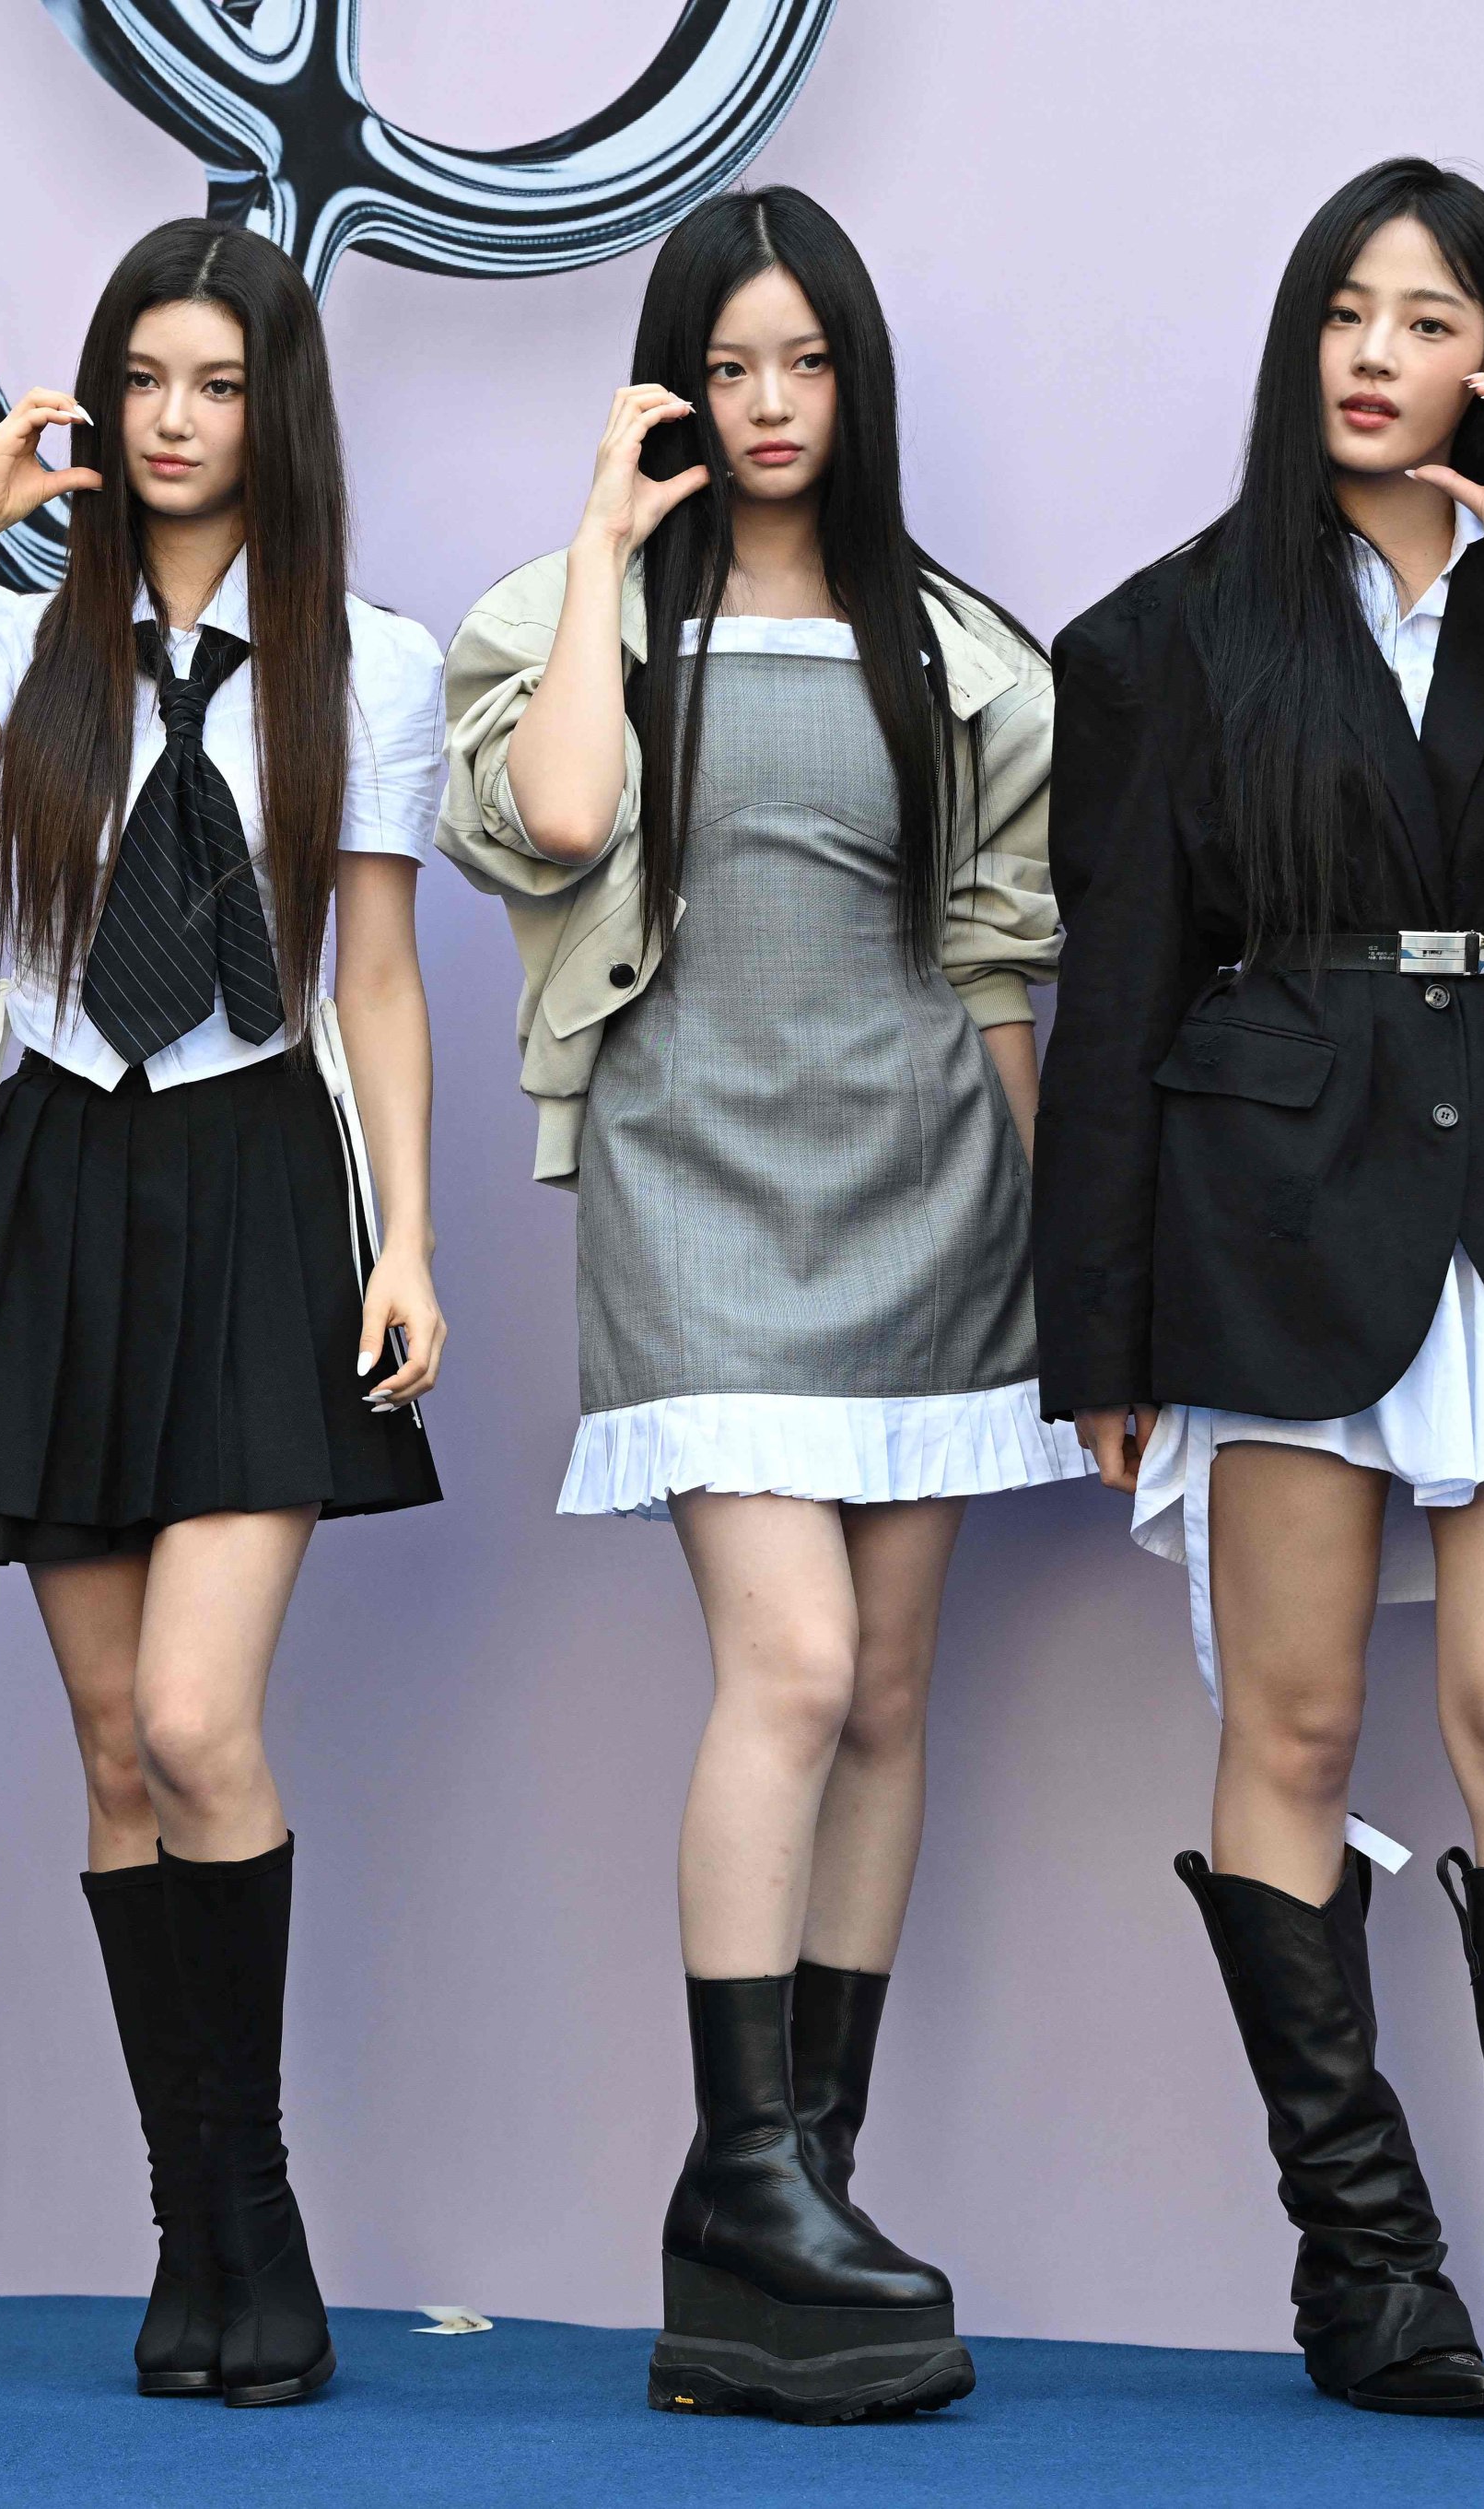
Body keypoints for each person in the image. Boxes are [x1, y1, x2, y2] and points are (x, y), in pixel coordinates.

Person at [1034, 157, 1484, 2445]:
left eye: (1422, 320)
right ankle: (1363, 2262)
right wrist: (1096, 1328)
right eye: (1341, 308)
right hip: (1263, 1200)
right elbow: (1109, 976)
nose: (1369, 352)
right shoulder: (1165, 636)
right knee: (1295, 1736)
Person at [438, 185, 1072, 2426]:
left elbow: (998, 965)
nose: (771, 406)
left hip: (926, 1196)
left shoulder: (969, 651)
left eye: (805, 365)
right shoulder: (556, 615)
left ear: (855, 379)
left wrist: (1053, 1266)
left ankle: (801, 2210)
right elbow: (548, 823)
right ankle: (739, 2176)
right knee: (786, 1663)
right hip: (692, 1189)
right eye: (730, 368)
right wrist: (610, 545)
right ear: (672, 383)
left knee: (889, 1689)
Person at [0, 218, 445, 2410]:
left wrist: (405, 1235)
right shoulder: (40, 629)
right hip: (63, 1172)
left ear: (267, 408)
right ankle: (184, 2231)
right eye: (142, 383)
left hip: (258, 1165)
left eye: (212, 385)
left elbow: (369, 967)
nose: (176, 422)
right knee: (108, 1751)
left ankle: (256, 2204)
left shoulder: (363, 666)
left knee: (199, 1722)